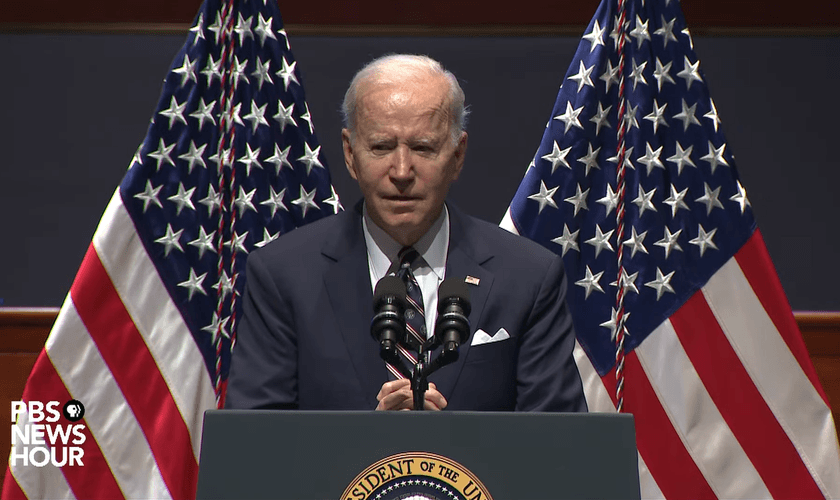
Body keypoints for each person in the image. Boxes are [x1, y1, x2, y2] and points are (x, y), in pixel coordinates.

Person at [225, 54, 586, 412]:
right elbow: (254, 448)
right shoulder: (283, 277)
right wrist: (372, 447)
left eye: (422, 148)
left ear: (457, 155)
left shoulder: (528, 277)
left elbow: (562, 449)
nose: (401, 171)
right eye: (381, 147)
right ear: (350, 155)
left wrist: (453, 447)